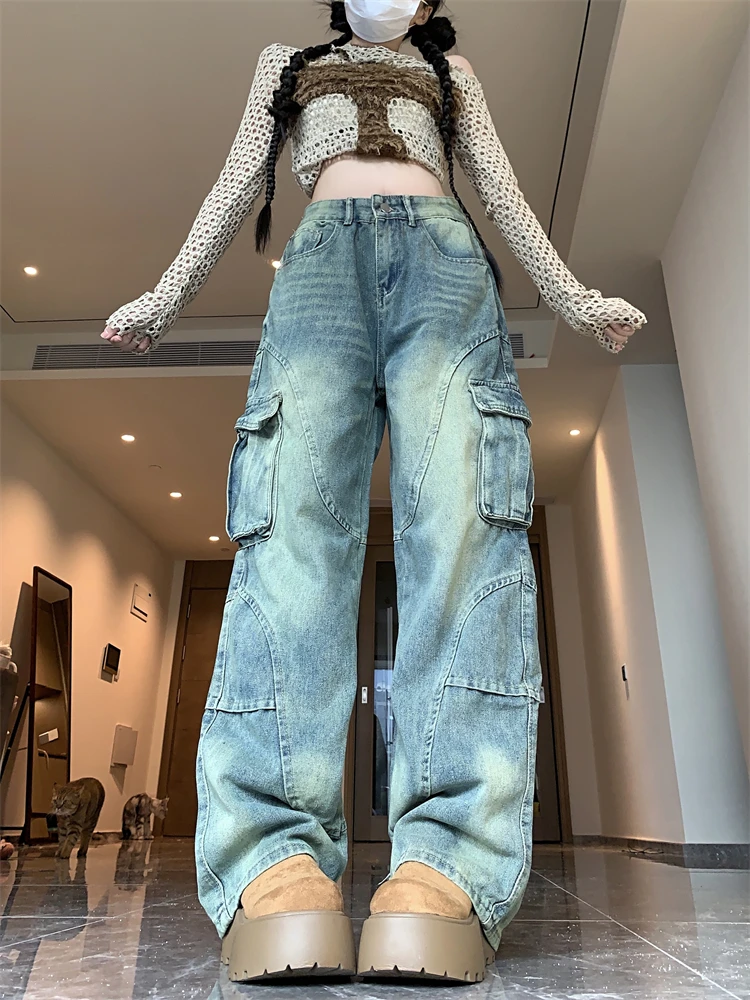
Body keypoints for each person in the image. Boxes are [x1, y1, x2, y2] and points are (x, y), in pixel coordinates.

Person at [101, 0, 647, 984]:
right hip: (316, 270)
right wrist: (162, 296)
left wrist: (574, 299)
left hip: (448, 269)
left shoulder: (452, 75)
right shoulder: (285, 62)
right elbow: (236, 183)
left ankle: (448, 858)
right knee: (291, 530)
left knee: (464, 527)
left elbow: (503, 195)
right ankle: (273, 855)